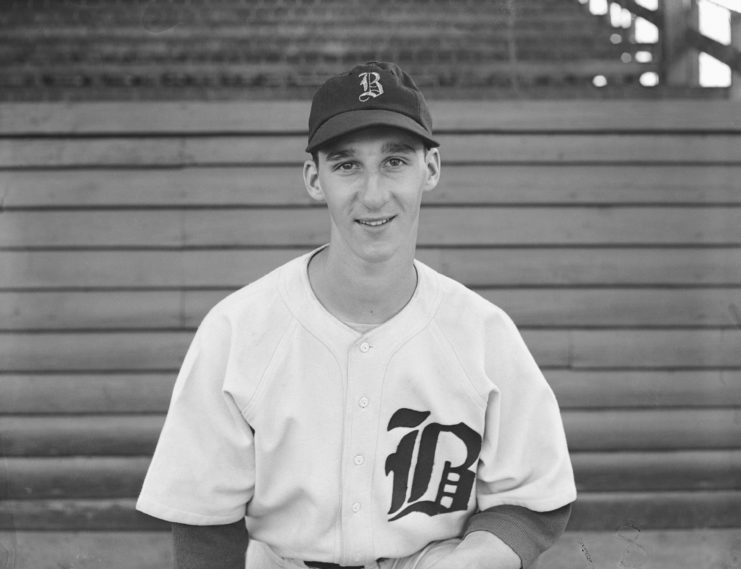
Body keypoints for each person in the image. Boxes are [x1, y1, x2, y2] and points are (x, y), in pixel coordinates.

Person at [136, 61, 577, 569]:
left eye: (395, 161)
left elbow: (533, 499)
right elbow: (202, 522)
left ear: (430, 169)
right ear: (313, 178)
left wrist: (473, 558)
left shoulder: (483, 333)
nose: (372, 193)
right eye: (346, 165)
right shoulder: (237, 330)